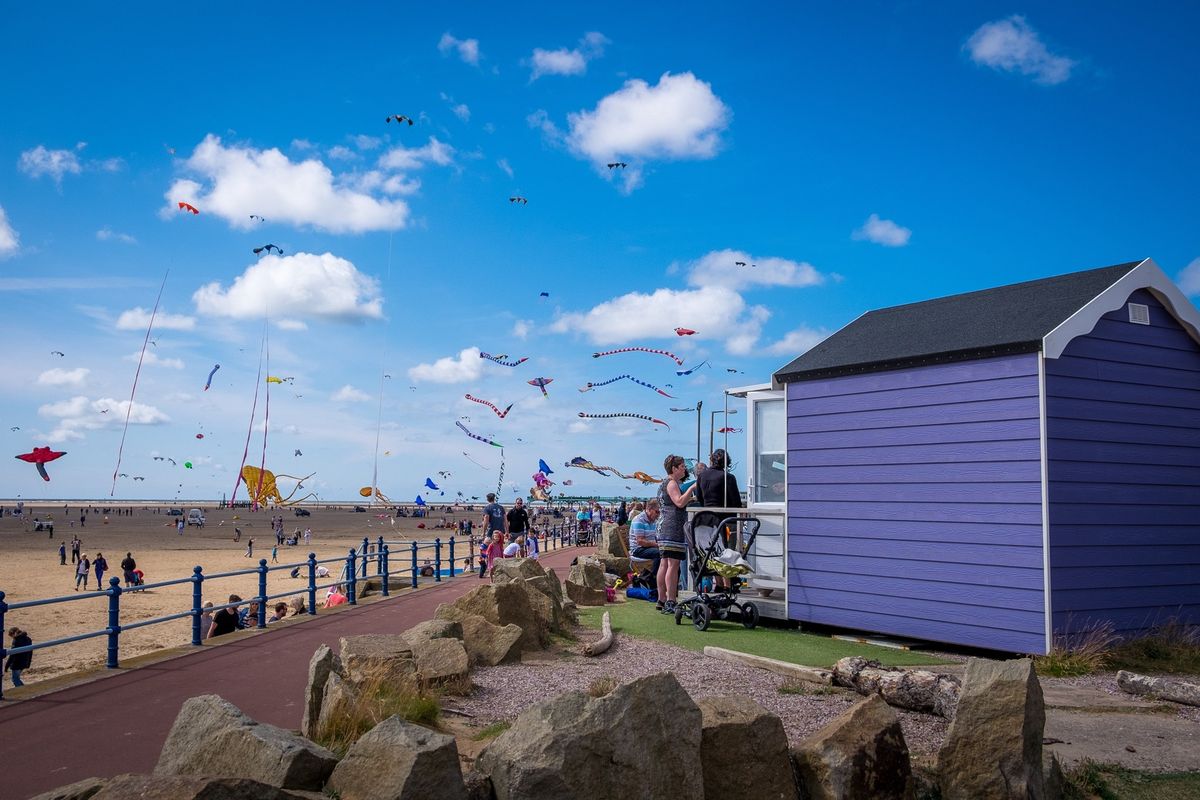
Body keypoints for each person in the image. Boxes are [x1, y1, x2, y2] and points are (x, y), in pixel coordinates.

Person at [657, 455, 697, 614]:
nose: (684, 469)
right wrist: (692, 489)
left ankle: (661, 599)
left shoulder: (664, 483)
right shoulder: (672, 483)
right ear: (674, 469)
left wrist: (690, 497)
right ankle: (671, 600)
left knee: (664, 564)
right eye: (682, 467)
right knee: (672, 565)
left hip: (664, 526)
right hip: (672, 527)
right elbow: (679, 502)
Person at [629, 498, 662, 591]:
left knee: (668, 553)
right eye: (657, 512)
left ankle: (659, 580)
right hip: (638, 549)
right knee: (659, 553)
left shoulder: (653, 521)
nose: (658, 515)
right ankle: (653, 579)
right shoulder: (639, 520)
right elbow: (640, 541)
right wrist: (657, 545)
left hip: (648, 547)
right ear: (649, 509)